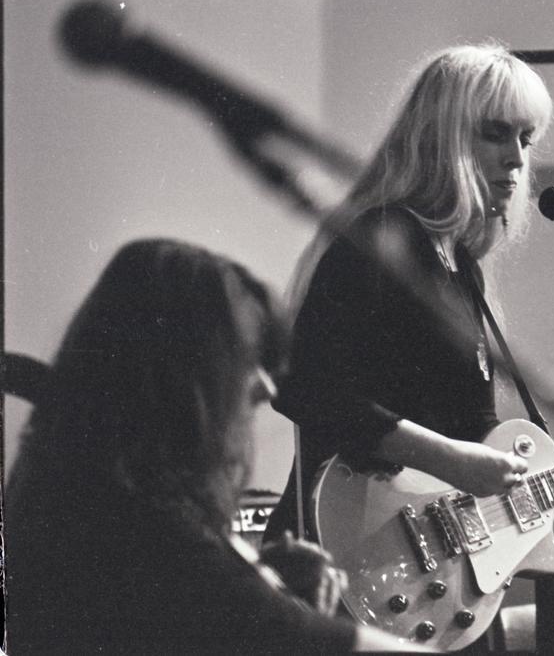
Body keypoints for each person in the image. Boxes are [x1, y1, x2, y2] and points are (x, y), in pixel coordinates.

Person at [264, 42, 554, 546]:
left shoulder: (462, 269)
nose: (516, 158)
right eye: (495, 134)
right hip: (335, 546)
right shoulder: (382, 238)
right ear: (439, 137)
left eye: (526, 139)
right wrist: (448, 459)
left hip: (412, 565)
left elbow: (485, 442)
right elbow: (300, 384)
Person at [4, 238, 426, 653]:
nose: (266, 386)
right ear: (176, 373)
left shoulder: (78, 487)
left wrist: (264, 577)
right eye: (244, 357)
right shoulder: (149, 536)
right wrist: (256, 597)